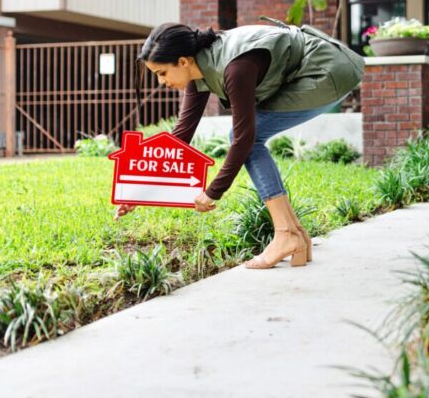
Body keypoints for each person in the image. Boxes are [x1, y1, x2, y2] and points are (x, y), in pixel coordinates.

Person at [115, 19, 365, 270]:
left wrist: (213, 191)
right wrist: (140, 192)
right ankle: (295, 234)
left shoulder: (235, 69)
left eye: (162, 73)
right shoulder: (198, 70)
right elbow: (180, 139)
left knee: (244, 138)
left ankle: (286, 233)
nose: (161, 82)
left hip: (328, 71)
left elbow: (244, 140)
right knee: (245, 137)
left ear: (183, 61)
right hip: (316, 69)